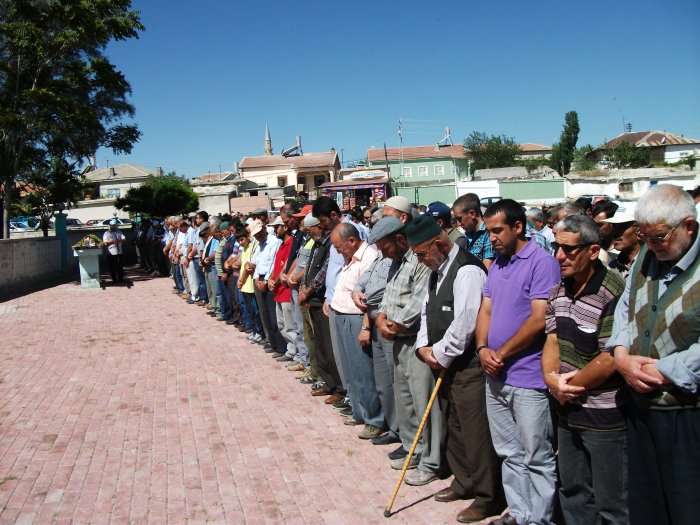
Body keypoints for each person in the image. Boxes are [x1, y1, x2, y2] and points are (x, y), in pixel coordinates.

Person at [607, 184, 699, 525]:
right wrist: (621, 356)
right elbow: (625, 309)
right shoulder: (647, 256)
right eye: (643, 236)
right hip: (641, 408)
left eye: (658, 236)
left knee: (687, 505)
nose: (650, 245)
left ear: (688, 226)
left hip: (687, 412)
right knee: (647, 506)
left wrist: (666, 370)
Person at [411, 215, 505, 524]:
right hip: (443, 362)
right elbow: (428, 311)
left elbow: (465, 323)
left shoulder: (467, 270)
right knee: (453, 424)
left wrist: (439, 354)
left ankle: (488, 496)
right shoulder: (435, 270)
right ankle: (463, 482)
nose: (421, 261)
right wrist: (424, 347)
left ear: (438, 244)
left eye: (422, 254)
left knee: (476, 431)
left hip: (467, 366)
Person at [475, 199, 560, 525]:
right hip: (494, 374)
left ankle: (540, 519)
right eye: (489, 231)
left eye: (497, 230)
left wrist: (502, 353)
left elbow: (540, 319)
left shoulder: (541, 262)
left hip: (527, 376)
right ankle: (520, 514)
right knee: (509, 452)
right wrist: (482, 348)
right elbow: (486, 309)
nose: (492, 237)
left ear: (518, 227)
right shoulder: (497, 264)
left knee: (536, 455)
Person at [541, 214, 628, 525]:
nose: (559, 256)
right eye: (556, 247)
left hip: (603, 415)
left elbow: (610, 356)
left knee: (612, 503)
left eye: (568, 249)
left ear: (593, 251)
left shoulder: (613, 291)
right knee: (574, 490)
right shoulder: (560, 289)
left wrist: (566, 386)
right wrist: (552, 381)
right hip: (568, 409)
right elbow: (552, 339)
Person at [373, 217, 443, 486]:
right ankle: (414, 449)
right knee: (405, 403)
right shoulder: (396, 264)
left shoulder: (420, 263)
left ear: (399, 240)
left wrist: (395, 323)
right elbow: (386, 297)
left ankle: (432, 460)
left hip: (415, 341)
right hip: (396, 341)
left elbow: (417, 303)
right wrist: (380, 318)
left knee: (423, 402)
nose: (383, 254)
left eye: (385, 248)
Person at [330, 223, 383, 439]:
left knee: (363, 371)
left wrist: (365, 326)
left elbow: (369, 297)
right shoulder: (350, 257)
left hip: (355, 317)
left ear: (352, 240)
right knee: (349, 370)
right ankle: (358, 411)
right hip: (340, 312)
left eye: (339, 246)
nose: (337, 251)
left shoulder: (368, 257)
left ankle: (374, 418)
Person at [451, 193, 495, 269]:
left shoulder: (488, 234)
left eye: (459, 219)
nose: (458, 224)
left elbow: (486, 270)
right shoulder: (465, 237)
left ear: (472, 214)